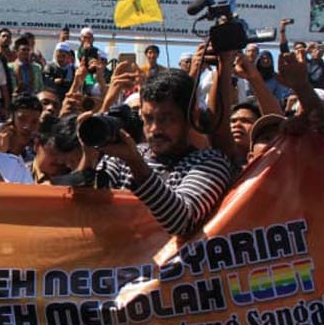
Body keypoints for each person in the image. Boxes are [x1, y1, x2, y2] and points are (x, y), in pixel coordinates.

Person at [85, 69, 233, 236]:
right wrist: (88, 156)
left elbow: (180, 221)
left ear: (191, 117)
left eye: (167, 119)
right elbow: (84, 209)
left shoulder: (211, 163)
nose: (155, 129)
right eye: (148, 118)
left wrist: (136, 164)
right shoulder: (123, 157)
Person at [31, 114, 83, 184]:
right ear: (37, 145)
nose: (60, 161)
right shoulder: (16, 171)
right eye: (54, 152)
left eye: (65, 156)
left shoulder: (78, 179)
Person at [0, 94, 43, 162]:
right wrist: (1, 151)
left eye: (34, 122)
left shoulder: (34, 158)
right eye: (22, 119)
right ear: (11, 119)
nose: (28, 127)